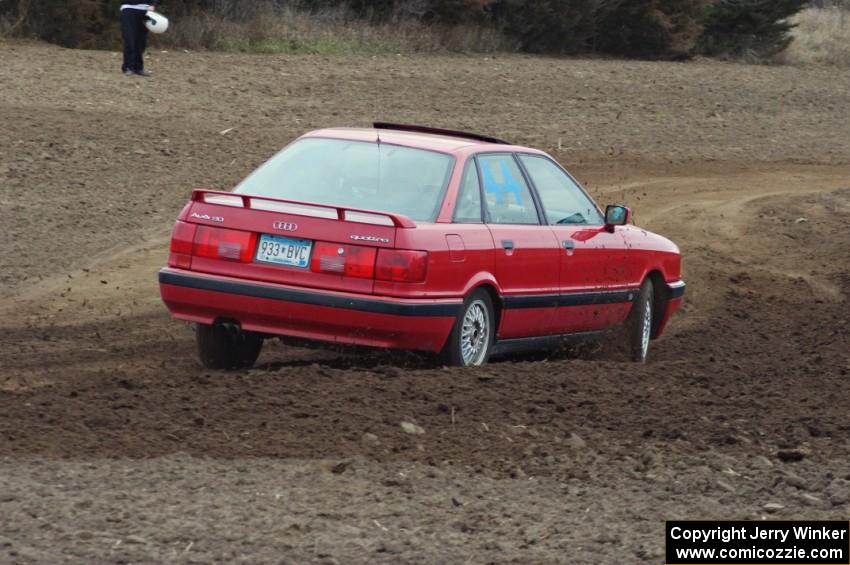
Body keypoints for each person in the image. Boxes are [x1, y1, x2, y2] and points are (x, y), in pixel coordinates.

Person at [120, 3, 157, 77]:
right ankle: (128, 67)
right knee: (129, 39)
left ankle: (138, 68)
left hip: (145, 10)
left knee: (141, 41)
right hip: (128, 8)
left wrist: (154, 4)